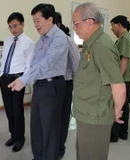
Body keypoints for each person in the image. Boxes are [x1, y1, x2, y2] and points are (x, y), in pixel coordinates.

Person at [9, 4, 69, 160]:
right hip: (40, 86)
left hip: (52, 86)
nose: (36, 25)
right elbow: (34, 65)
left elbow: (47, 63)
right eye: (34, 22)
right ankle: (38, 157)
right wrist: (30, 81)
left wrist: (24, 79)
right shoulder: (41, 40)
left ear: (50, 19)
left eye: (38, 21)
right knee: (36, 126)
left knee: (50, 128)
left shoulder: (60, 38)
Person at [72, 2, 126, 160]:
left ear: (89, 22)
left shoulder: (102, 46)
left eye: (76, 24)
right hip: (86, 114)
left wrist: (116, 111)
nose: (74, 28)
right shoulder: (92, 44)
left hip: (95, 118)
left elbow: (118, 85)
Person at [0, 12, 34, 152]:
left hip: (18, 79)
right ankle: (13, 135)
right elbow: (5, 58)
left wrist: (22, 80)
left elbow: (29, 65)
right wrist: (1, 74)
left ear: (22, 24)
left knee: (17, 109)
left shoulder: (29, 43)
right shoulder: (7, 40)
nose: (13, 29)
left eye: (15, 25)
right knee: (8, 109)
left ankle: (20, 138)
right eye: (10, 27)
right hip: (5, 78)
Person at [54, 12, 80, 159]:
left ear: (57, 24)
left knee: (62, 118)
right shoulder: (45, 42)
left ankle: (59, 148)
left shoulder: (69, 42)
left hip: (65, 84)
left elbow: (77, 67)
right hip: (48, 86)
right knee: (49, 119)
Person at [110, 15, 130, 142]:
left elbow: (124, 60)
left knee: (117, 105)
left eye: (113, 26)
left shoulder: (125, 39)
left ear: (119, 25)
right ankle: (122, 132)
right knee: (123, 106)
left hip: (121, 78)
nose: (112, 29)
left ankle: (114, 134)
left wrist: (117, 80)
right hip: (126, 77)